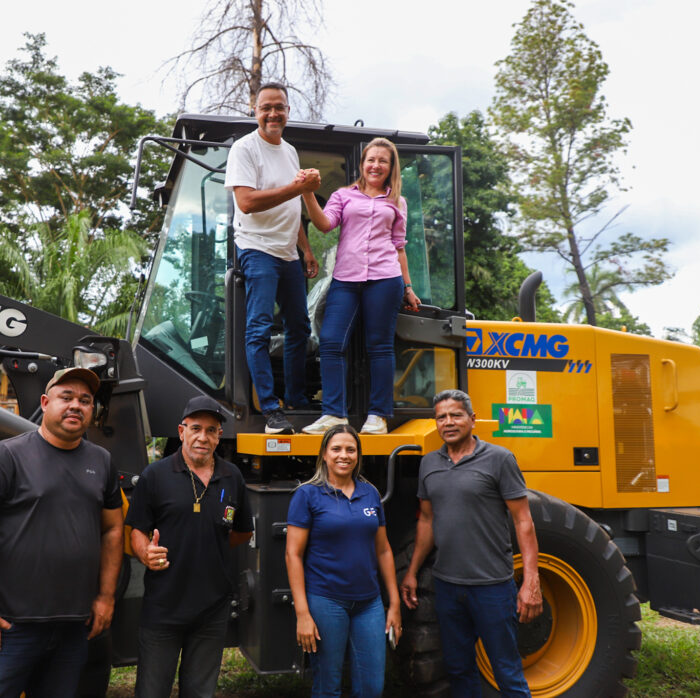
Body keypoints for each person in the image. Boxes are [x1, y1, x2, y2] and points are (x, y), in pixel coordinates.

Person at [0, 367, 124, 697]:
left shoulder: (102, 462)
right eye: (66, 397)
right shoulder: (6, 456)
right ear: (45, 403)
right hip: (11, 626)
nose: (76, 406)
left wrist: (105, 597)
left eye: (85, 400)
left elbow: (113, 529)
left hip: (74, 626)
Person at [399, 389, 542, 697]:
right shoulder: (429, 463)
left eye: (456, 415)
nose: (448, 422)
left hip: (492, 587)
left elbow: (523, 521)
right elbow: (427, 521)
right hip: (448, 587)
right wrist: (411, 571)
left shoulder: (499, 459)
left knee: (507, 672)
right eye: (441, 417)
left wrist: (531, 580)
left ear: (472, 419)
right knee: (458, 669)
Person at [125, 395, 253, 698]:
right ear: (181, 431)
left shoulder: (232, 476)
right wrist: (145, 553)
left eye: (211, 430)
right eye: (196, 428)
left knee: (199, 692)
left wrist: (208, 545)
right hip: (164, 607)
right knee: (152, 691)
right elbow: (136, 530)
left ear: (219, 436)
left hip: (212, 609)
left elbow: (242, 532)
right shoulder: (155, 475)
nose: (203, 437)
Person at [299, 137, 421, 436]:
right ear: (362, 164)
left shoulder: (397, 202)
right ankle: (333, 414)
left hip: (385, 279)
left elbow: (399, 247)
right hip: (346, 279)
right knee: (330, 341)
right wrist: (307, 193)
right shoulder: (343, 196)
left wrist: (408, 287)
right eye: (371, 160)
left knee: (379, 346)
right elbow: (324, 224)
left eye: (383, 161)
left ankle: (378, 416)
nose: (376, 165)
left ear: (390, 167)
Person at [224, 82, 321, 435]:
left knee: (300, 327)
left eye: (279, 107)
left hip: (288, 253)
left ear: (288, 111)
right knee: (260, 329)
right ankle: (270, 408)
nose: (273, 113)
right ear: (255, 111)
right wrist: (298, 187)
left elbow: (292, 208)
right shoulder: (244, 149)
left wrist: (305, 249)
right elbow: (246, 202)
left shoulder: (290, 151)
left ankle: (295, 398)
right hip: (257, 249)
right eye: (266, 107)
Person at [285, 424, 402, 698]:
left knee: (372, 688)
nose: (344, 455)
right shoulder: (307, 494)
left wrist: (394, 603)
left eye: (351, 449)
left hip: (369, 603)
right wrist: (303, 613)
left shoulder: (370, 493)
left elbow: (383, 550)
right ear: (324, 455)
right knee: (328, 687)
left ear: (358, 455)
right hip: (326, 601)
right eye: (336, 449)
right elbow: (293, 555)